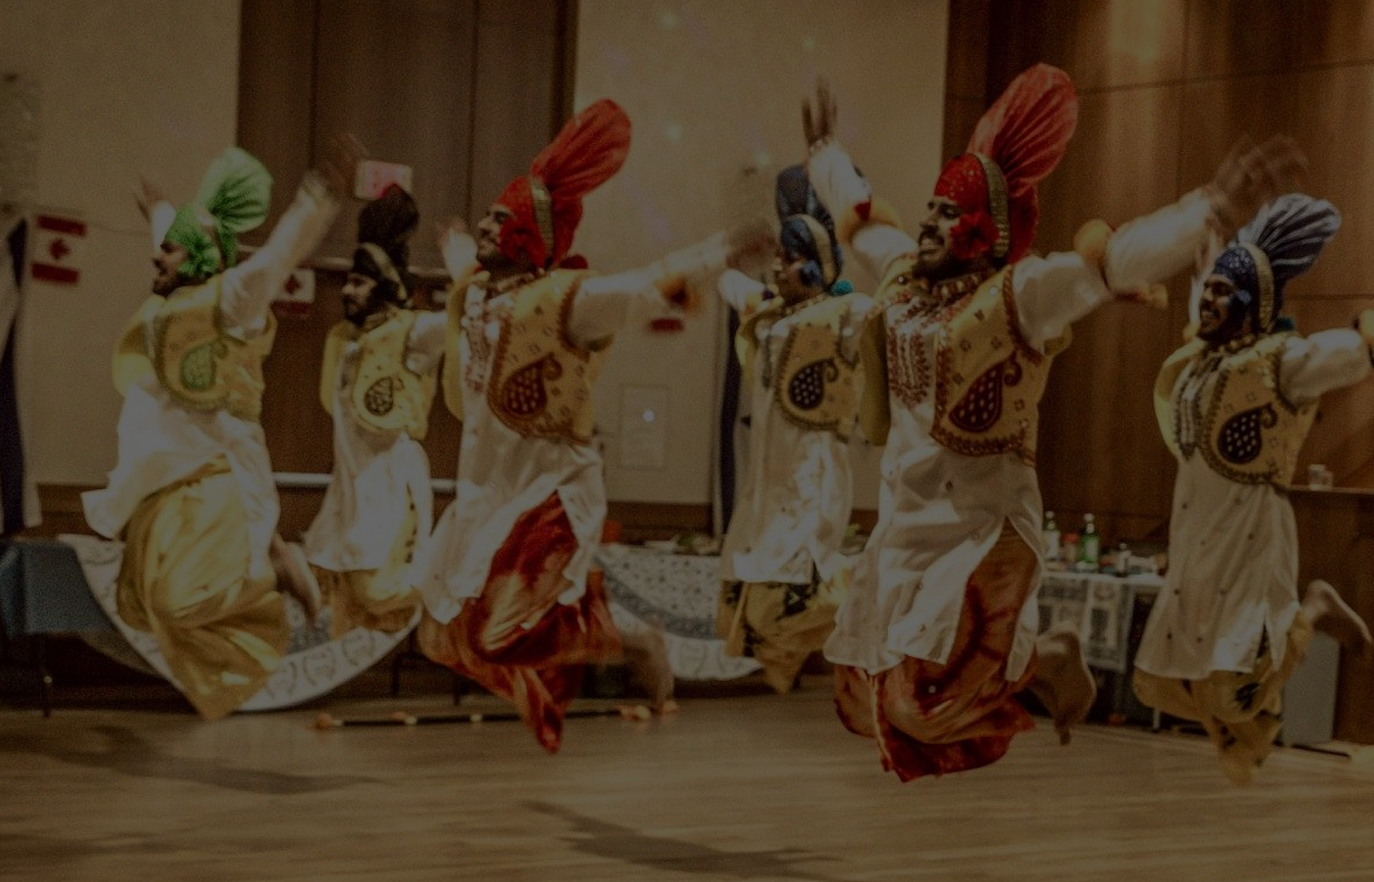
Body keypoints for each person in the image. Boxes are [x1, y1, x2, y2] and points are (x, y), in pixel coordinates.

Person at [803, 65, 1308, 781]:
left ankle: (1047, 665)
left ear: (984, 231)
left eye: (947, 213)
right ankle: (1049, 659)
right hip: (904, 526)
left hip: (984, 532)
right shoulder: (902, 282)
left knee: (922, 706)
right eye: (930, 208)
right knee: (865, 696)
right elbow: (863, 223)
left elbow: (1110, 265)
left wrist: (1211, 209)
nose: (927, 223)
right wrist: (824, 153)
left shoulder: (1018, 297)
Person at [418, 99, 769, 752]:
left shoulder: (567, 301)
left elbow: (646, 286)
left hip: (550, 490)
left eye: (500, 219)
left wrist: (723, 249)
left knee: (501, 633)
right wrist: (453, 241)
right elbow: (465, 263)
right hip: (486, 493)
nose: (488, 226)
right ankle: (621, 643)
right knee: (445, 631)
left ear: (528, 237)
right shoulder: (479, 295)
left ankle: (634, 646)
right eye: (488, 218)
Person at [1133, 193, 1374, 784]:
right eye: (1209, 289)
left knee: (1233, 697)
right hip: (1196, 541)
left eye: (1224, 291)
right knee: (1156, 684)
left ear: (1250, 306)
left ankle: (1314, 611)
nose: (1210, 299)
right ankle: (1266, 683)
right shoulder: (1200, 362)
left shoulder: (1284, 364)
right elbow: (1203, 287)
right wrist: (1208, 239)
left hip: (1248, 537)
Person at [85, 141, 355, 719]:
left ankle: (274, 568)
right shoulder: (176, 299)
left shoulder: (231, 302)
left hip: (215, 471)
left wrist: (318, 198)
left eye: (169, 250)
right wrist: (158, 210)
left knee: (177, 602)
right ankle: (269, 562)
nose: (157, 258)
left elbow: (277, 259)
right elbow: (180, 236)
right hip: (163, 479)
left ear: (200, 257)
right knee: (145, 600)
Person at [714, 164, 875, 693]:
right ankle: (816, 651)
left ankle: (874, 590)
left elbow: (887, 312)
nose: (777, 267)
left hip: (812, 478)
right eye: (778, 257)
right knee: (754, 609)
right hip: (766, 488)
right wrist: (736, 250)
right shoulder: (767, 314)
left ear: (814, 266)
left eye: (787, 258)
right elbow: (729, 282)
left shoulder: (846, 313)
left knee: (794, 598)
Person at [304, 185, 443, 638]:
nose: (346, 290)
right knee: (343, 589)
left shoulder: (414, 334)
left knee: (380, 592)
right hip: (350, 481)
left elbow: (457, 322)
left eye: (359, 283)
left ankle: (458, 579)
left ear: (384, 288)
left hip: (391, 480)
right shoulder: (348, 343)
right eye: (348, 280)